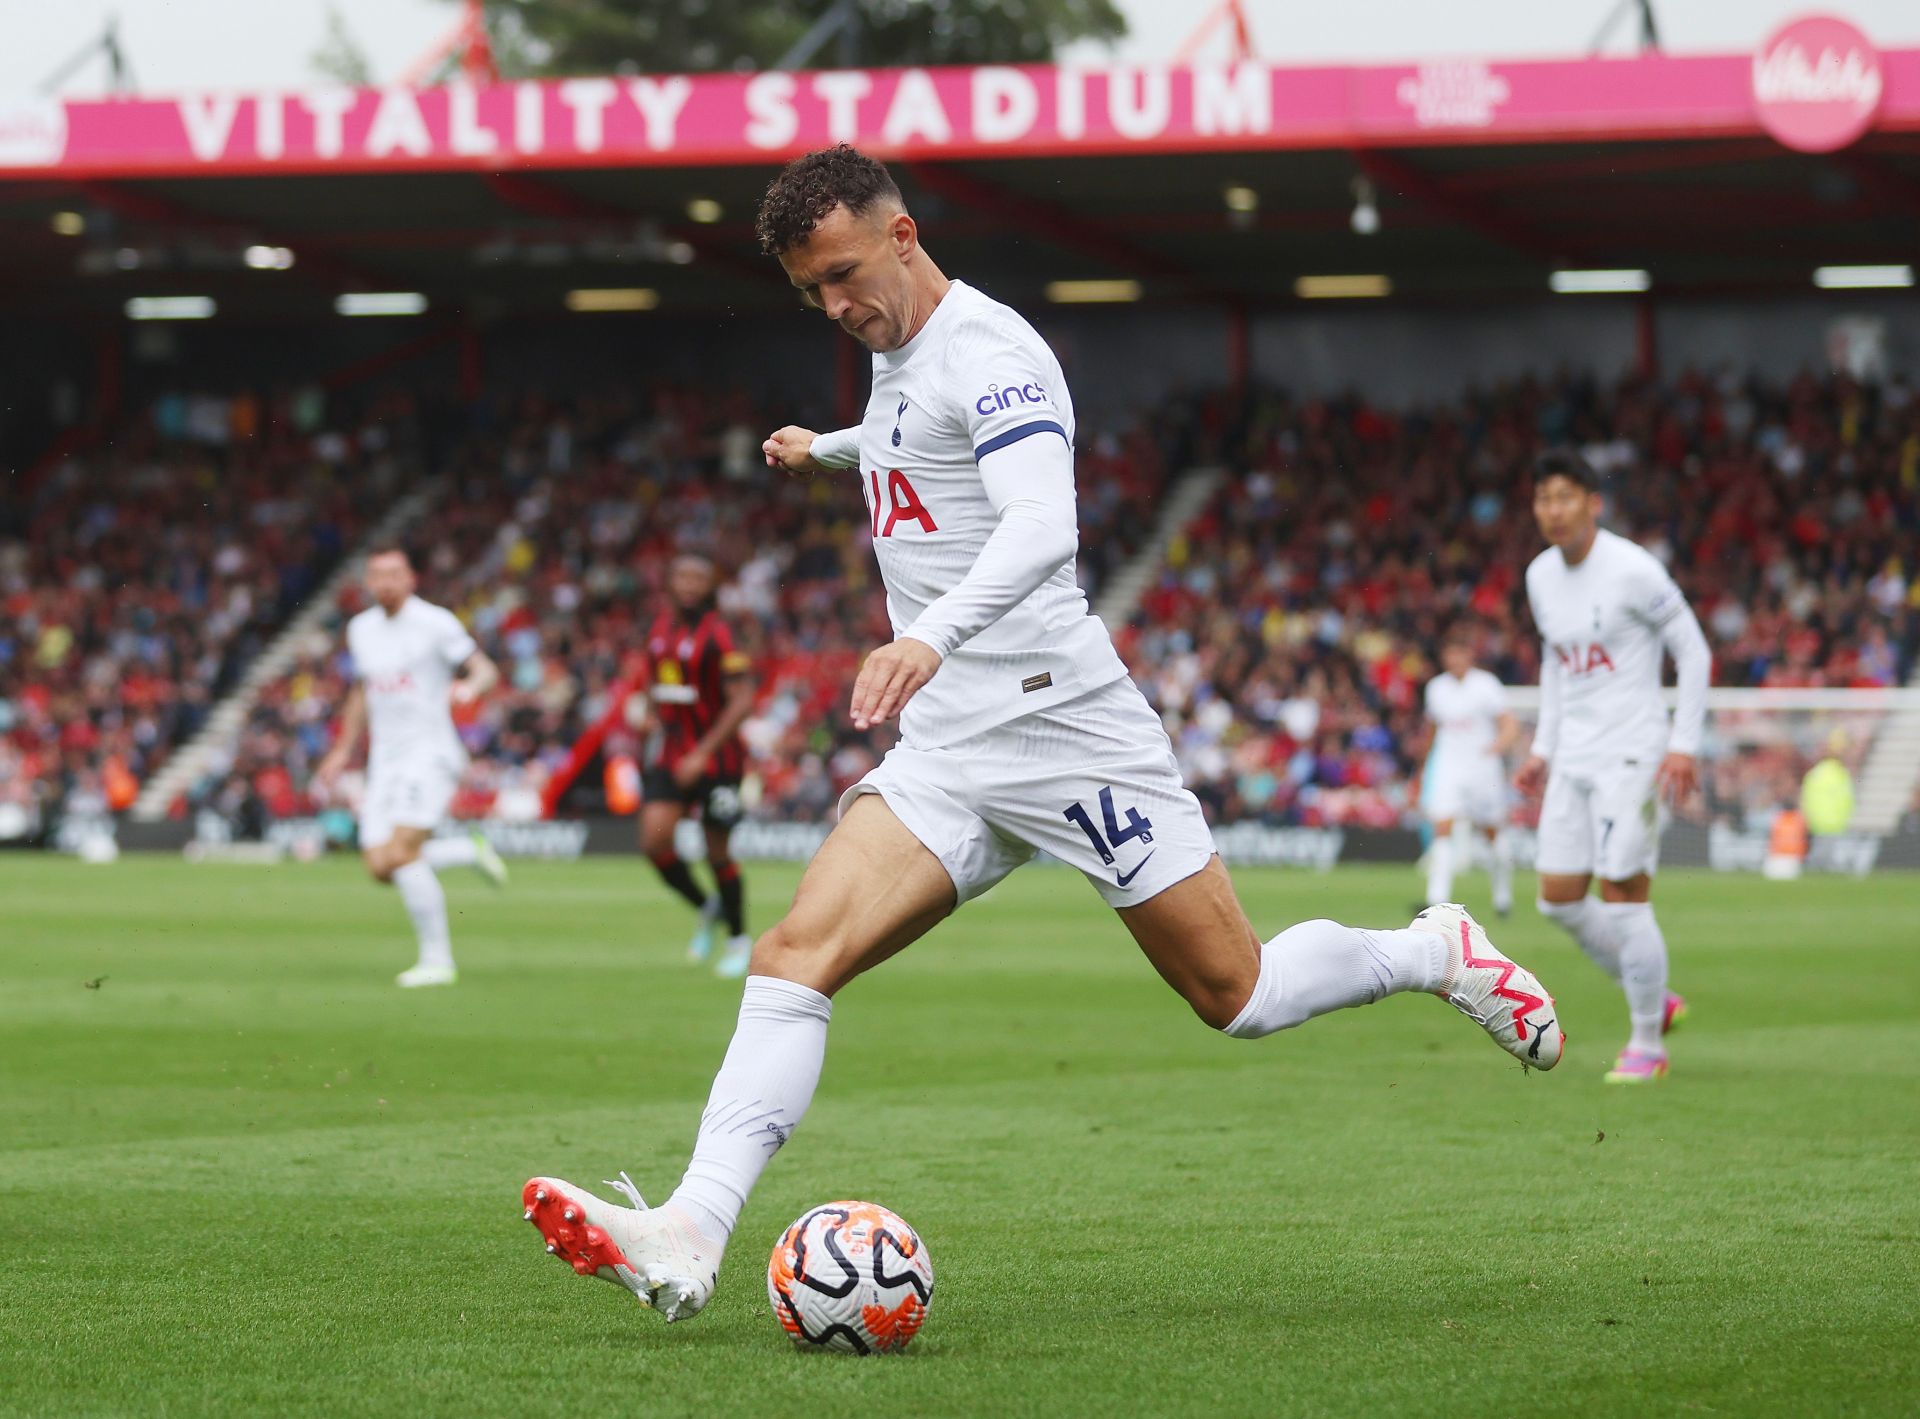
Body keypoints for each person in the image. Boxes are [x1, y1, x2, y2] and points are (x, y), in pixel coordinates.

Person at [520, 145, 1563, 1322]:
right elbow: (920, 445)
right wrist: (830, 448)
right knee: (792, 957)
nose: (836, 305)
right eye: (813, 290)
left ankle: (1434, 950)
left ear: (903, 234)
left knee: (1241, 992)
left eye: (848, 274)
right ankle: (689, 1232)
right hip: (952, 753)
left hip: (1064, 727)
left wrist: (933, 637)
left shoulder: (997, 352)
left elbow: (1039, 521)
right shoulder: (893, 353)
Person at [1515, 451, 1708, 1083]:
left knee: (1623, 895)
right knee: (1558, 899)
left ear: (1593, 503)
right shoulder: (1540, 575)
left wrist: (1683, 742)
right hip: (1574, 755)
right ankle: (1656, 991)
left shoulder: (1632, 569)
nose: (1554, 510)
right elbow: (1554, 663)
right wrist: (1543, 749)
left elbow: (1694, 650)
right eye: (1544, 498)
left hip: (1634, 750)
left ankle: (1648, 1043)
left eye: (1566, 497)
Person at [315, 546, 507, 987]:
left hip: (430, 753)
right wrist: (343, 749)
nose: (385, 583)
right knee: (380, 866)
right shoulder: (360, 629)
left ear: (411, 579)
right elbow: (363, 691)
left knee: (401, 854)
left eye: (394, 574)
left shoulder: (435, 622)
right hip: (384, 760)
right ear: (367, 581)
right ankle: (465, 851)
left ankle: (438, 960)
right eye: (377, 575)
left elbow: (485, 670)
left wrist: (469, 687)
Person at [634, 553, 759, 978]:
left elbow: (742, 700)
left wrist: (703, 752)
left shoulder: (722, 635)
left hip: (717, 761)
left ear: (711, 585)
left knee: (716, 851)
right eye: (682, 575)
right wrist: (652, 710)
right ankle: (709, 909)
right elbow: (657, 680)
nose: (689, 584)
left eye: (698, 577)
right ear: (669, 581)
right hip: (670, 755)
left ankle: (740, 939)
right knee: (654, 842)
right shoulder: (658, 629)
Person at [1412, 628, 1518, 916]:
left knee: (1491, 833)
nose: (1454, 659)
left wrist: (1496, 748)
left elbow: (1509, 724)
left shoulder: (1486, 685)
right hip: (1449, 766)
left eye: (1460, 653)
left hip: (1482, 769)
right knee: (1442, 827)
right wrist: (1423, 766)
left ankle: (1502, 896)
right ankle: (1437, 900)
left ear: (1469, 656)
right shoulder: (1436, 688)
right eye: (1450, 654)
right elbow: (1432, 730)